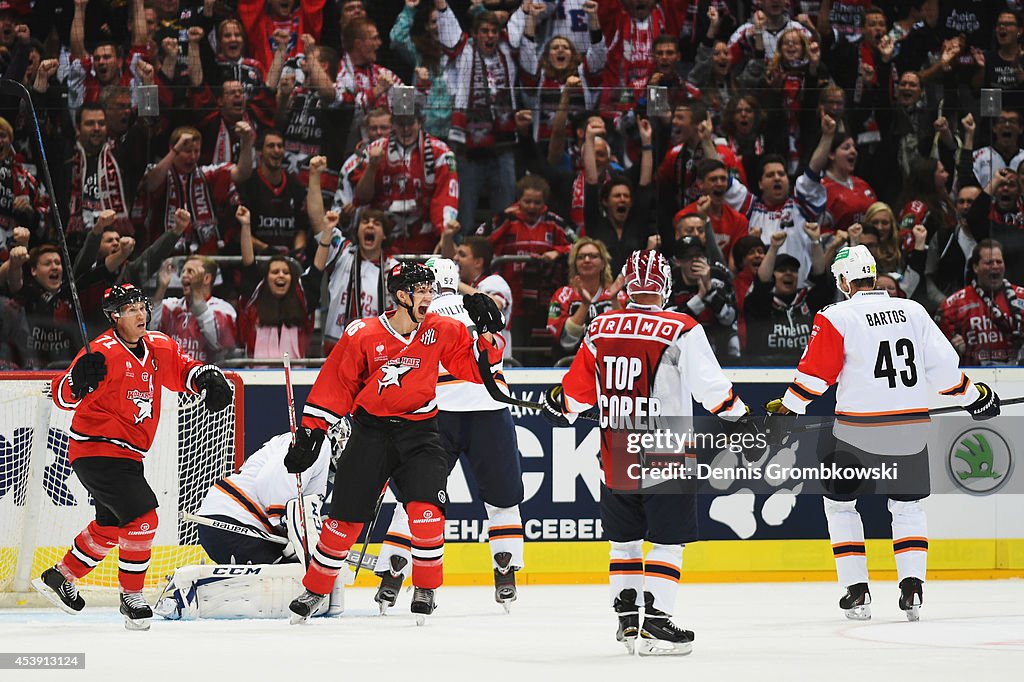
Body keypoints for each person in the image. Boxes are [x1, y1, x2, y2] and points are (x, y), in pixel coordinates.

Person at [765, 245, 1000, 622]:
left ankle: (856, 591)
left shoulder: (837, 315)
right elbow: (944, 372)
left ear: (844, 280)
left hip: (856, 433)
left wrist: (788, 411)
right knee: (907, 508)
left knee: (841, 506)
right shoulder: (912, 310)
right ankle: (912, 589)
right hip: (910, 430)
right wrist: (976, 398)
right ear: (873, 276)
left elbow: (815, 375)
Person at [541, 249, 751, 656]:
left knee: (624, 542)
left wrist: (560, 407)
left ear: (627, 285)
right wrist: (741, 417)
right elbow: (712, 389)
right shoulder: (681, 327)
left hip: (615, 453)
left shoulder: (601, 326)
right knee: (668, 543)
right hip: (665, 451)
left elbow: (577, 393)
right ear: (665, 285)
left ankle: (626, 621)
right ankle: (655, 622)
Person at [284, 262, 506, 625]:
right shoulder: (363, 334)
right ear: (402, 295)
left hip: (421, 433)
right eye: (422, 290)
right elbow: (336, 385)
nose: (429, 297)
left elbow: (476, 369)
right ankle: (316, 590)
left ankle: (426, 588)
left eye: (431, 289)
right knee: (342, 522)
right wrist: (312, 431)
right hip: (371, 434)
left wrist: (488, 334)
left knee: (426, 514)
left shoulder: (443, 329)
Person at [32, 284, 232, 630]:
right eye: (130, 309)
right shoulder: (101, 352)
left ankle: (62, 575)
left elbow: (184, 370)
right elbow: (63, 397)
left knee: (111, 525)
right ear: (114, 317)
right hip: (95, 448)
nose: (140, 314)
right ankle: (131, 596)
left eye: (142, 306)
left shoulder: (157, 346)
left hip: (128, 454)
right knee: (143, 519)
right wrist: (77, 380)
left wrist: (207, 379)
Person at [372, 258, 524, 614]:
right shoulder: (481, 305)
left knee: (418, 498)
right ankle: (505, 572)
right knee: (502, 499)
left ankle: (394, 573)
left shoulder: (417, 315)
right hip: (490, 409)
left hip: (436, 413)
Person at [936, 240, 1024, 367]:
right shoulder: (954, 305)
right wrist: (951, 347)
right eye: (989, 262)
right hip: (973, 378)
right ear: (975, 267)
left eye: (999, 262)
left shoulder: (1021, 297)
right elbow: (936, 350)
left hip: (1017, 377)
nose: (995, 266)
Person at [150, 255, 239, 363]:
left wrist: (197, 295)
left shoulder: (224, 310)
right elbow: (150, 330)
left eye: (190, 271)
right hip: (174, 375)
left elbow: (218, 343)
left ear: (207, 278)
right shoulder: (172, 306)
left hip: (205, 376)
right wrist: (161, 288)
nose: (183, 276)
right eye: (183, 271)